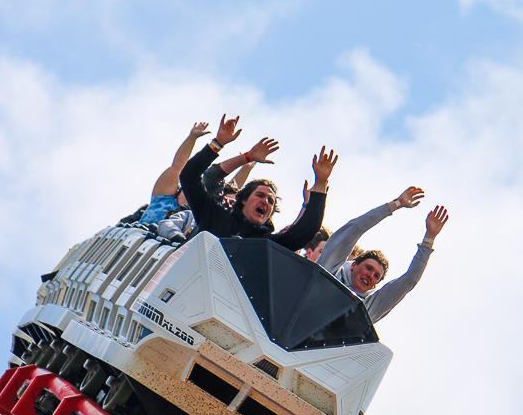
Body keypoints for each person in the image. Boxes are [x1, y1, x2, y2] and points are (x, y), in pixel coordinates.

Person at [179, 114, 338, 252]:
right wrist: (219, 143)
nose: (265, 201)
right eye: (260, 195)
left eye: (270, 201)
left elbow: (306, 231)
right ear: (244, 199)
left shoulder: (267, 243)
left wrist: (321, 183)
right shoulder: (215, 215)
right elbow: (188, 176)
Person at [317, 186, 448, 323]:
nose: (370, 275)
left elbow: (409, 280)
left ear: (374, 286)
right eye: (368, 268)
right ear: (353, 265)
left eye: (376, 276)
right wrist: (396, 204)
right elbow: (353, 230)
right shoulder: (328, 272)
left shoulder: (366, 308)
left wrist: (429, 238)